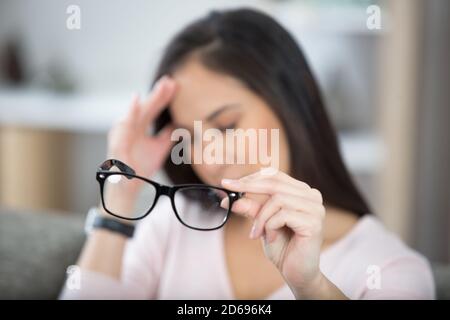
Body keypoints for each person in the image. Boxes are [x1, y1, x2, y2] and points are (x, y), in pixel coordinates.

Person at [60, 8, 434, 300]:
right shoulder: (171, 228)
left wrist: (312, 286)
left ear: (290, 103)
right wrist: (120, 193)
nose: (208, 160)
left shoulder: (390, 268)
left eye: (226, 126)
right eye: (188, 138)